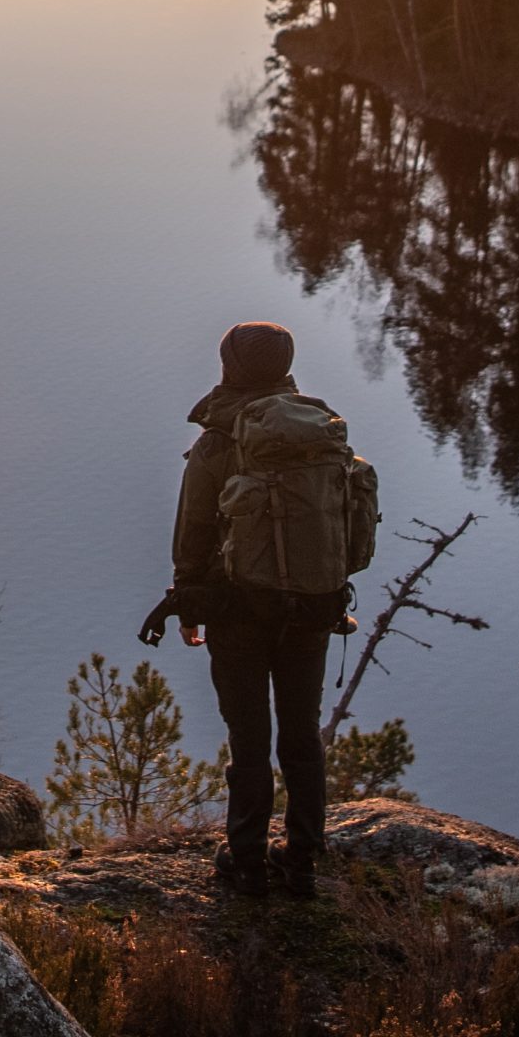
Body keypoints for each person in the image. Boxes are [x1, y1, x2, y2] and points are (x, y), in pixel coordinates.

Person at [169, 320, 352, 900]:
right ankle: (301, 861)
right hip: (314, 605)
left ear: (230, 368)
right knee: (301, 736)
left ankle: (246, 862)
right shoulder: (321, 430)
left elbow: (194, 530)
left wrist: (186, 601)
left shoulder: (219, 440)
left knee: (249, 738)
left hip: (239, 608)